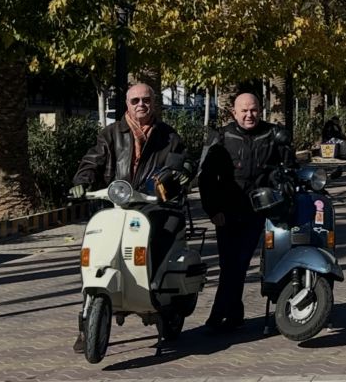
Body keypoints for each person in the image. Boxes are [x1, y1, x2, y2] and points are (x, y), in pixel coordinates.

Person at [69, 83, 186, 353]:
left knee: (160, 235)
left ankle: (155, 292)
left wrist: (181, 173)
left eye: (146, 99)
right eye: (135, 100)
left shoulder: (169, 136)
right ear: (127, 104)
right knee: (94, 256)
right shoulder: (110, 134)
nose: (141, 104)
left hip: (153, 204)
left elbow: (182, 161)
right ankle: (85, 325)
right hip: (114, 205)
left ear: (154, 102)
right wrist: (82, 182)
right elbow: (91, 162)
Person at [197, 93, 297, 332]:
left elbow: (290, 168)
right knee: (228, 265)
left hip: (257, 212)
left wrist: (281, 183)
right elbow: (205, 178)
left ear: (261, 109)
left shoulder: (274, 135)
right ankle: (235, 315)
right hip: (226, 212)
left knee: (239, 263)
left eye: (253, 110)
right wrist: (213, 210)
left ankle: (217, 314)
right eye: (243, 111)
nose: (249, 115)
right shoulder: (220, 137)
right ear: (234, 112)